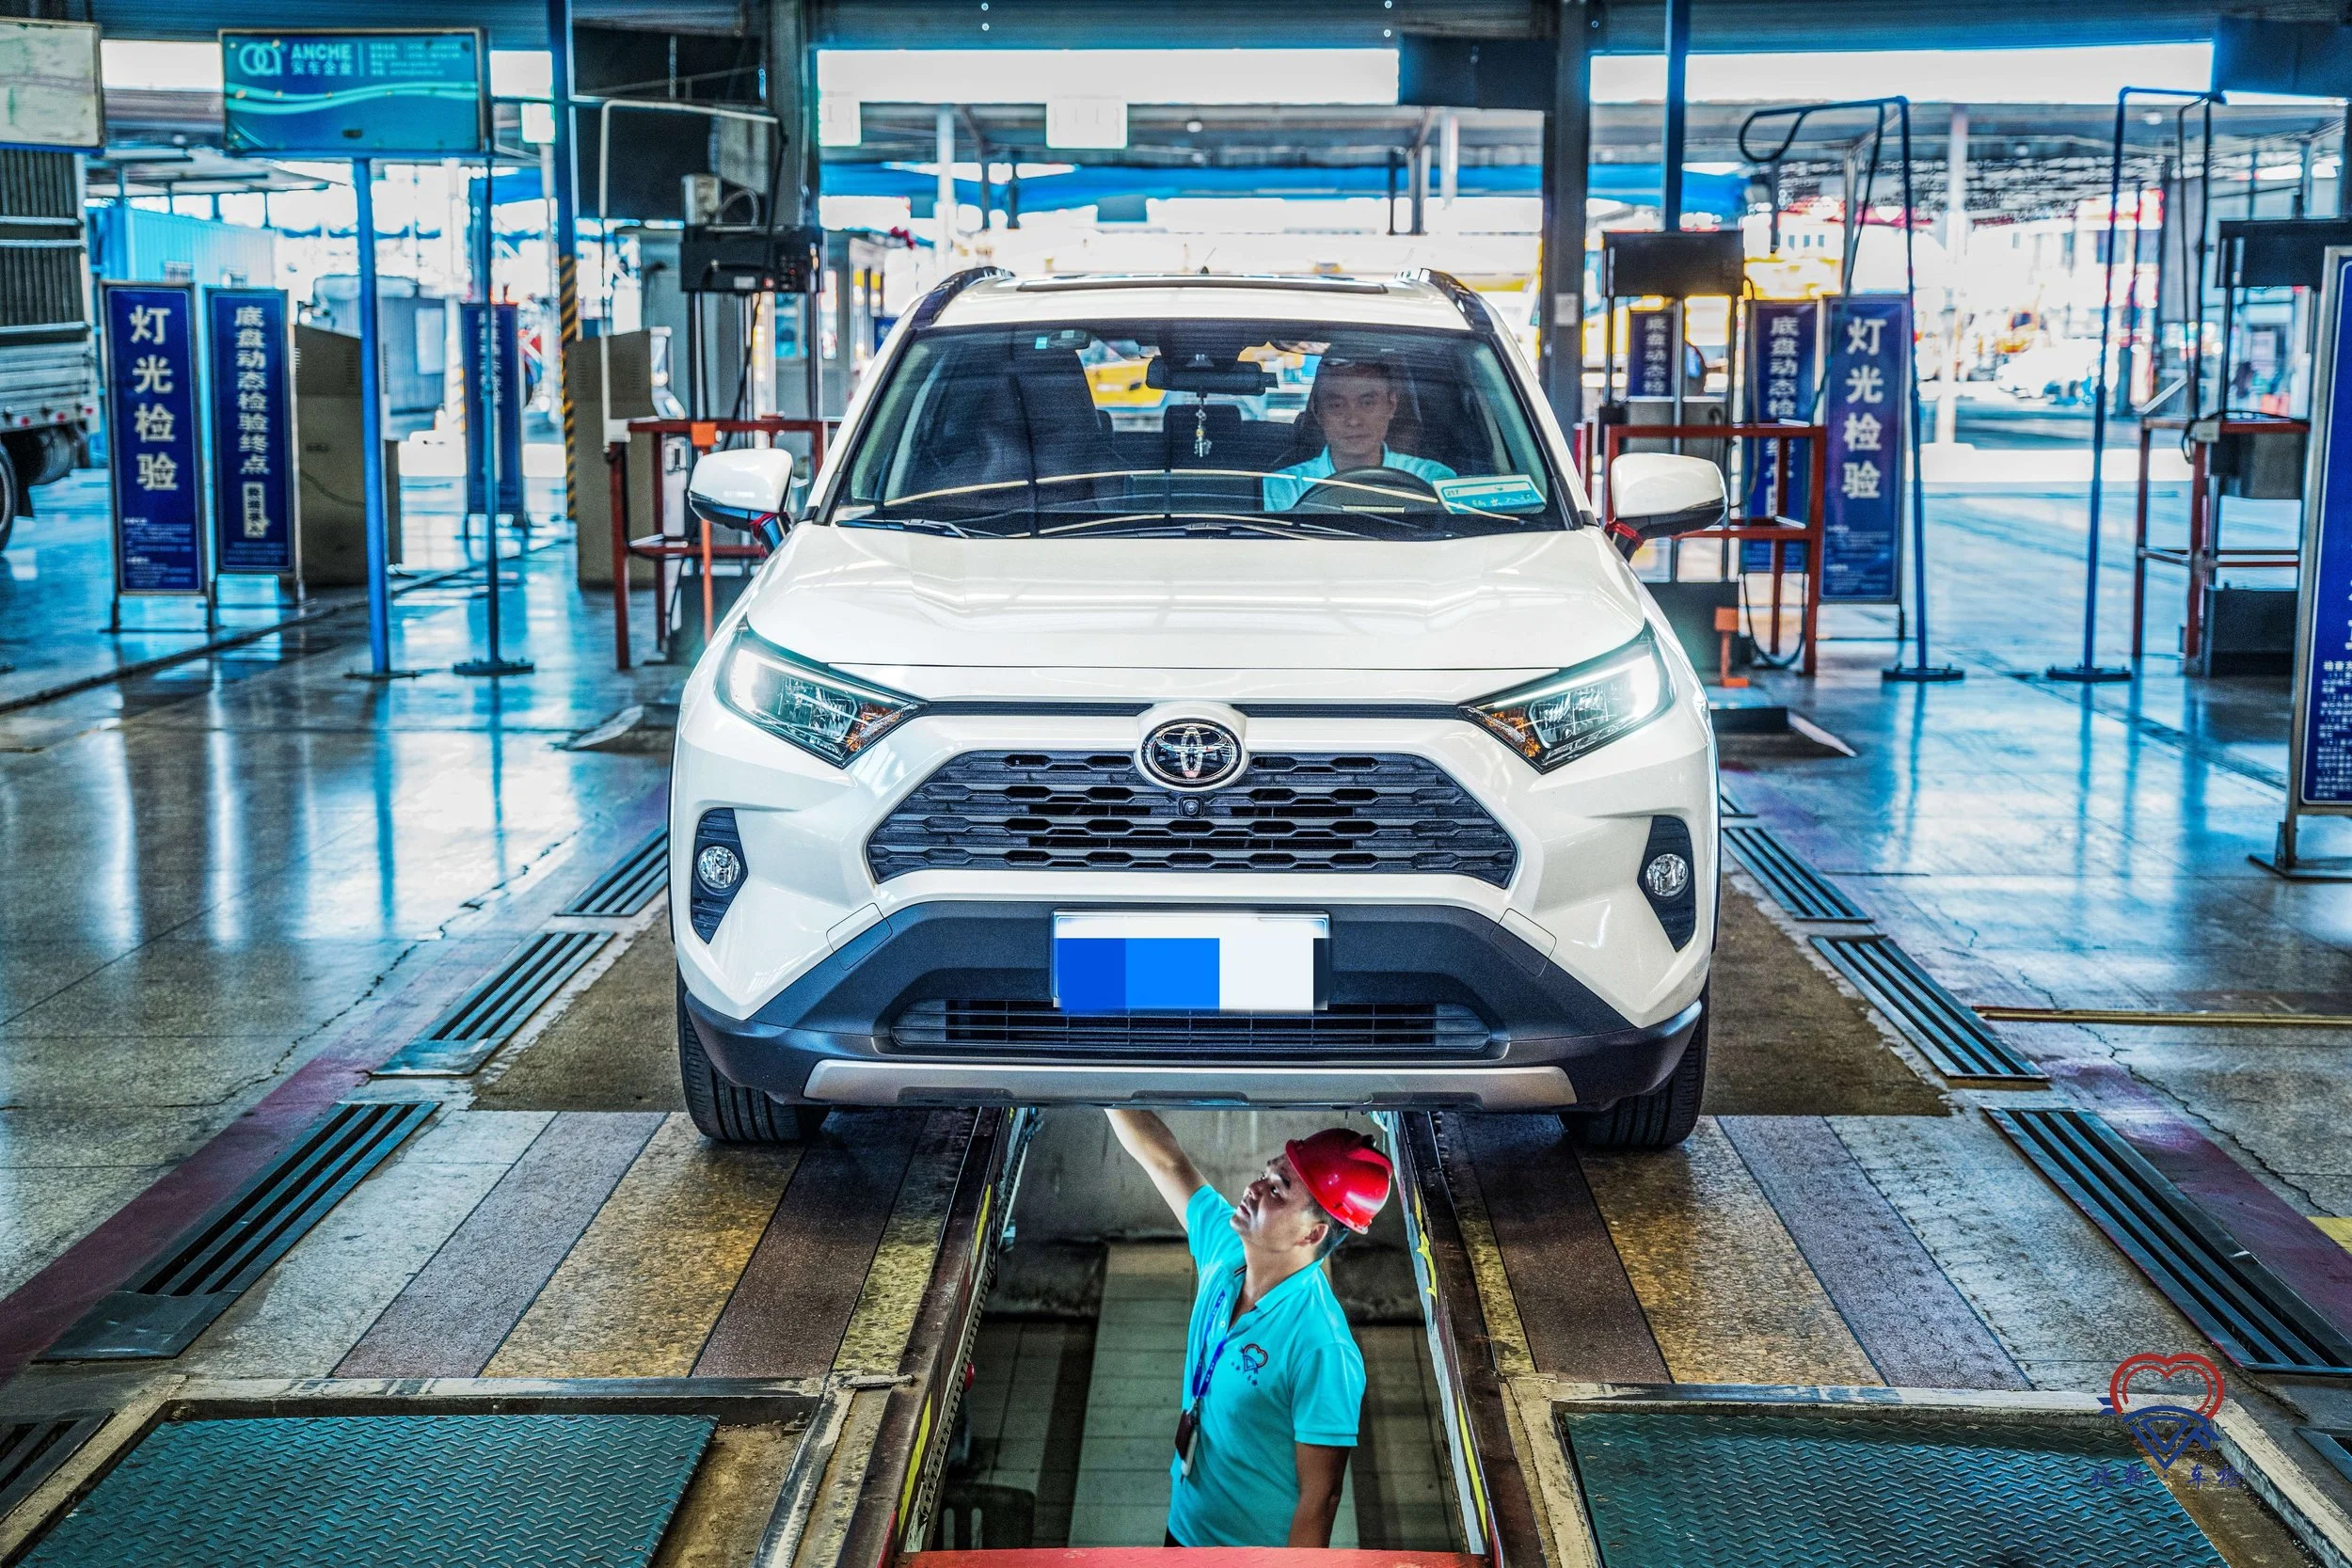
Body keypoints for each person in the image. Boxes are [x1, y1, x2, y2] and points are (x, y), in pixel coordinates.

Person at [1104, 1109, 1394, 1548]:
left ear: (1312, 1234)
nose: (1254, 1187)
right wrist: (1097, 1074)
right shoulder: (1227, 1252)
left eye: (1278, 1189)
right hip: (1185, 1528)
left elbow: (1321, 1499)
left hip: (1249, 1554)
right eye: (1266, 1173)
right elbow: (1167, 1162)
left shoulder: (1322, 1348)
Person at [1262, 358, 1455, 511]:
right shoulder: (1283, 488)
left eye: (1367, 403)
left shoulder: (1433, 480)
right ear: (1317, 412)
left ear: (1391, 405)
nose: (1353, 420)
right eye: (1337, 405)